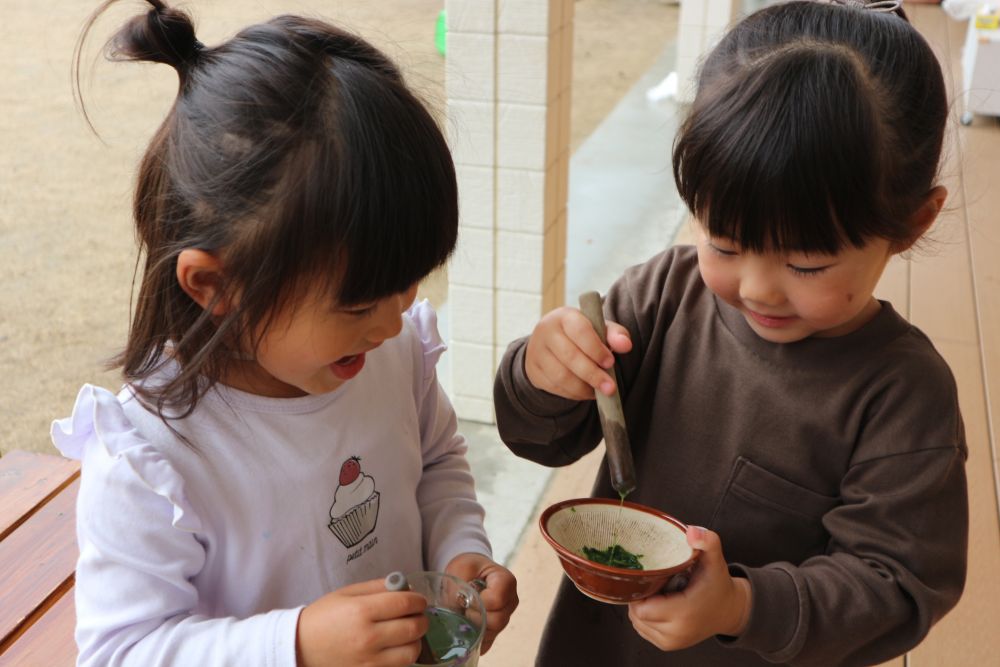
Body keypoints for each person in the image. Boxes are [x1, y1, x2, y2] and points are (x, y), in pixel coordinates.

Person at [493, 1, 967, 665]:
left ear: (913, 222)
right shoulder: (663, 295)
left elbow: (899, 584)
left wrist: (740, 606)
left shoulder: (902, 394)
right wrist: (539, 375)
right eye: (724, 242)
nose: (757, 288)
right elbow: (541, 434)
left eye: (807, 263)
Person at [51, 2, 517, 665]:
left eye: (409, 284)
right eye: (357, 306)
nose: (392, 323)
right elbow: (120, 651)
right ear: (215, 286)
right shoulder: (153, 460)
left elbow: (435, 461)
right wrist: (293, 643)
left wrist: (458, 549)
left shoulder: (390, 355)